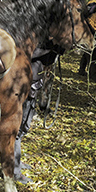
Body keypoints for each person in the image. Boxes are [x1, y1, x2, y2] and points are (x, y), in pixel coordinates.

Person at [14, 40, 64, 183]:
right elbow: (27, 52)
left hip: (35, 85)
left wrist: (57, 47)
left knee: (24, 128)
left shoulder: (48, 37)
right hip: (24, 85)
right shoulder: (35, 35)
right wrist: (49, 48)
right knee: (16, 130)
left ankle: (16, 161)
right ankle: (14, 170)